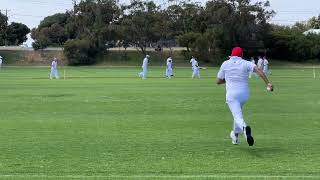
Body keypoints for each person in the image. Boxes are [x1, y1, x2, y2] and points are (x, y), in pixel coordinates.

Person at [217, 47, 273, 146]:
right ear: (241, 55)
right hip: (244, 95)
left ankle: (244, 128)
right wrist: (268, 83)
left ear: (232, 55)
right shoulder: (246, 63)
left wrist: (228, 79)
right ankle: (235, 136)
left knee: (237, 116)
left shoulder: (225, 63)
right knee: (238, 113)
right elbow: (259, 71)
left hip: (232, 95)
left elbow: (218, 81)